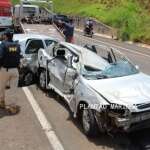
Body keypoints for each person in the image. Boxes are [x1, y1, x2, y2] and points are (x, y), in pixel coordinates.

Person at [0, 29, 21, 114]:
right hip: (15, 70)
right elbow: (19, 56)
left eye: (4, 35)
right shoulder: (17, 45)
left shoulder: (3, 44)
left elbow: (0, 57)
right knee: (13, 89)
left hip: (5, 69)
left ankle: (2, 102)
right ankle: (13, 107)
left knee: (1, 87)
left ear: (6, 36)